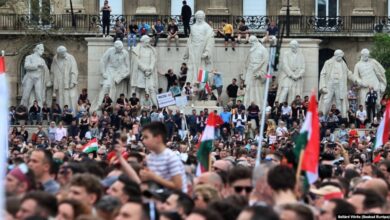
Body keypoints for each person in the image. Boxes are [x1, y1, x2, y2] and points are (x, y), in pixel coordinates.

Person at [141, 122, 187, 191]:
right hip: (157, 196)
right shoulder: (150, 157)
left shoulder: (171, 157)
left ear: (158, 138)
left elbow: (178, 186)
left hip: (174, 198)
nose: (143, 141)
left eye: (146, 137)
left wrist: (153, 177)